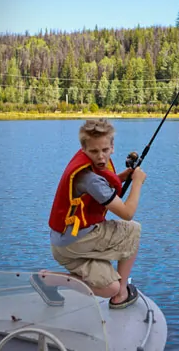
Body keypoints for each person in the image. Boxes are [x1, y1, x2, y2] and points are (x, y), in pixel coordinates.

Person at [30, 118, 146, 310]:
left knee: (110, 287)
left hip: (63, 242)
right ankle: (122, 294)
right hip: (76, 243)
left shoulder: (85, 165)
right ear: (84, 149)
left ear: (112, 147)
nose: (101, 157)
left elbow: (100, 189)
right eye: (94, 151)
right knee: (133, 230)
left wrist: (124, 176)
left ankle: (48, 280)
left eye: (105, 150)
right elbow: (127, 213)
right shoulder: (90, 179)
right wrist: (138, 182)